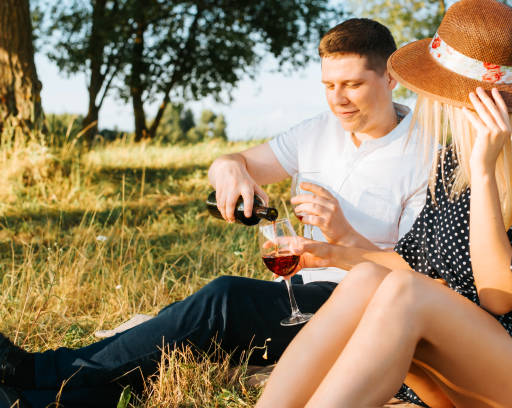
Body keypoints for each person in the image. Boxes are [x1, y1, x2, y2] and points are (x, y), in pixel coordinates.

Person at [0, 18, 433, 407]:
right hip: (295, 290)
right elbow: (234, 160)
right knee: (181, 345)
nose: (337, 99)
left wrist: (340, 236)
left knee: (223, 301)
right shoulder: (319, 130)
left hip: (361, 307)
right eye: (328, 85)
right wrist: (231, 173)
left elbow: (416, 274)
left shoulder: (426, 155)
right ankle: (32, 400)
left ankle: (37, 372)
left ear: (391, 76)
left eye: (353, 85)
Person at [255, 1, 512, 407]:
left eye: (440, 93)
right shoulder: (451, 162)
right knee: (367, 281)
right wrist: (331, 254)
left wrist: (483, 173)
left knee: (407, 294)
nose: (433, 105)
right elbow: (413, 264)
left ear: (480, 106)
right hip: (455, 362)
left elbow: (499, 297)